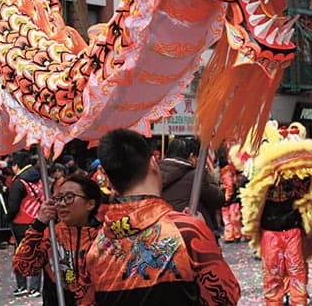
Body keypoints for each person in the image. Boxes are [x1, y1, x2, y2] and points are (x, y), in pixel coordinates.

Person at [80, 128, 240, 305]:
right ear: (153, 163)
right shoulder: (186, 231)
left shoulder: (96, 245)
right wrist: (207, 240)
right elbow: (226, 296)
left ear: (108, 181)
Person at [240, 125, 312, 306]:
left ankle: (298, 302)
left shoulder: (300, 173)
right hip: (270, 231)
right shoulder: (260, 172)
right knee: (272, 273)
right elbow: (247, 187)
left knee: (296, 270)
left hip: (292, 229)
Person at [12, 173, 105, 306]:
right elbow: (22, 268)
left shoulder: (104, 237)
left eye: (69, 198)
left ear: (90, 204)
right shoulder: (51, 235)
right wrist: (38, 224)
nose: (61, 204)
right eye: (58, 198)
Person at [159, 137, 223, 231]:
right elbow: (218, 199)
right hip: (191, 231)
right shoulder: (197, 176)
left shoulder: (153, 173)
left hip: (162, 231)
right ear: (192, 157)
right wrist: (206, 175)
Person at [6, 149, 45, 297]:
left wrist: (7, 217)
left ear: (16, 165)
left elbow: (13, 207)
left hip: (21, 223)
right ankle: (35, 288)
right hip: (38, 221)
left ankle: (22, 286)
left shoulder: (18, 183)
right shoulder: (39, 179)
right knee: (36, 253)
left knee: (20, 254)